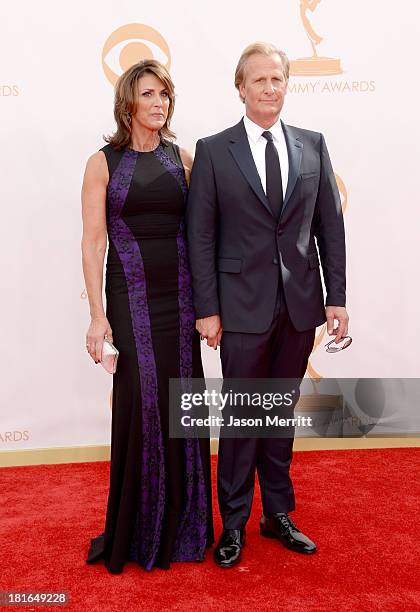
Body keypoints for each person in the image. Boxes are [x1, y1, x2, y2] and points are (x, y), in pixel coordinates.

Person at [186, 42, 348, 568]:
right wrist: (207, 308)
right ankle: (232, 523)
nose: (270, 88)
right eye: (259, 80)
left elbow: (330, 227)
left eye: (278, 79)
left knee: (278, 418)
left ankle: (277, 514)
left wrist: (336, 297)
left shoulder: (312, 144)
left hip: (300, 309)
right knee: (239, 421)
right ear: (241, 87)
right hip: (239, 309)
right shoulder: (214, 149)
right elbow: (201, 236)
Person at [81, 59, 214, 574]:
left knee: (181, 405)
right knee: (141, 404)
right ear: (128, 104)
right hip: (130, 300)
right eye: (149, 94)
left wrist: (210, 308)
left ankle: (186, 527)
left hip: (180, 302)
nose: (159, 103)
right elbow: (94, 244)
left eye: (165, 94)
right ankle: (140, 529)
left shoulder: (182, 158)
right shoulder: (103, 163)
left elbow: (202, 237)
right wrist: (97, 317)